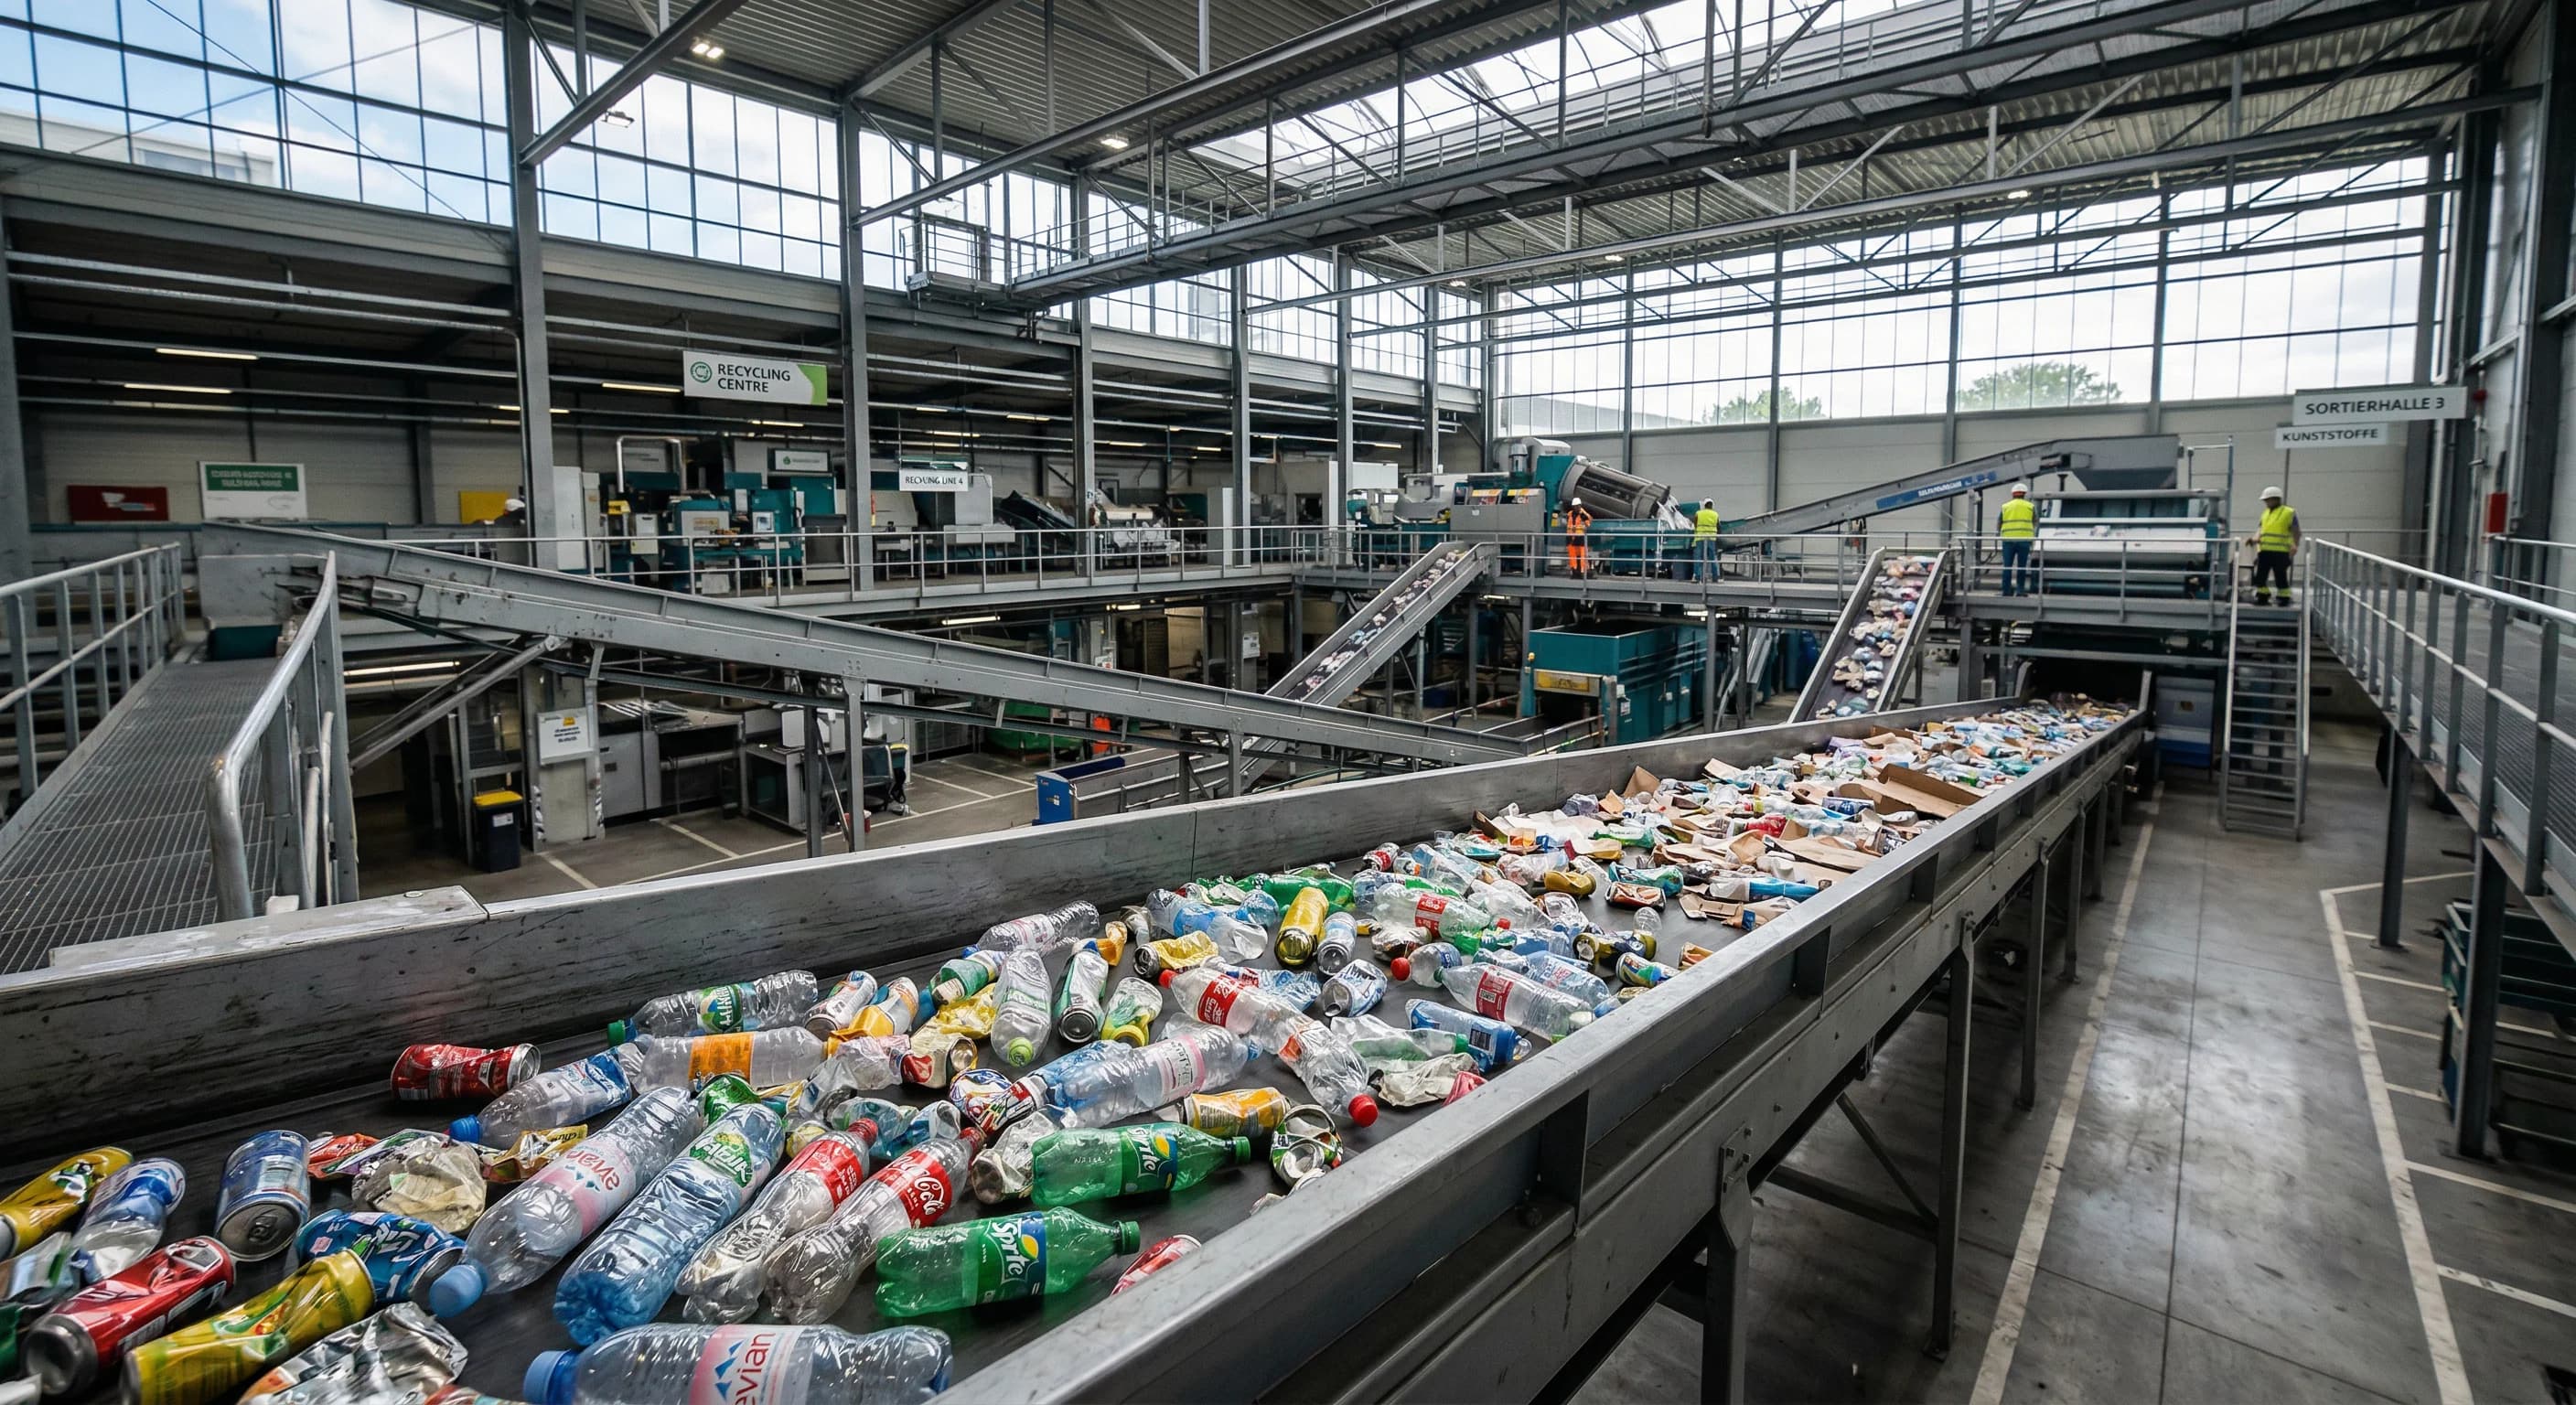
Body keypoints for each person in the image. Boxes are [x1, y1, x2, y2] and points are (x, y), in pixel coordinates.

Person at [2249, 485, 2301, 606]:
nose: (2266, 502)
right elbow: (2261, 529)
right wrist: (2254, 539)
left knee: (2280, 576)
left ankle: (2284, 597)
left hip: (2281, 551)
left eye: (2268, 500)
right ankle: (2263, 595)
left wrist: (2295, 545)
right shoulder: (2265, 513)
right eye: (2265, 500)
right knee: (2260, 576)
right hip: (2265, 550)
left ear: (2276, 499)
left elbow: (2296, 530)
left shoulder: (2288, 512)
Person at [1997, 484, 2037, 595]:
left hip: (2008, 540)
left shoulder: (2005, 506)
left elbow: (1999, 522)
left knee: (2007, 566)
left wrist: (1998, 534)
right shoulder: (2030, 506)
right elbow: (2036, 521)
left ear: (2013, 494)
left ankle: (2006, 591)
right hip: (2024, 540)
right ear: (2024, 494)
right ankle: (2020, 590)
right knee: (2022, 566)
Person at [1691, 499, 1722, 583]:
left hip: (1700, 538)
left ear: (1704, 505)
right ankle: (1716, 578)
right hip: (1711, 539)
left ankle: (1697, 577)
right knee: (1713, 558)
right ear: (1712, 505)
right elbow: (1719, 526)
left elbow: (1695, 524)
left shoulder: (1698, 513)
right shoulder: (1715, 514)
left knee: (1699, 558)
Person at [1563, 497, 1594, 577]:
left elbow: (1588, 523)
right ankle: (1574, 571)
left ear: (1580, 506)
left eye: (1578, 506)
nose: (1577, 507)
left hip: (1580, 538)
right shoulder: (1570, 514)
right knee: (1572, 556)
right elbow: (1568, 524)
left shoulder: (1583, 514)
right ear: (1573, 507)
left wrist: (1584, 517)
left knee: (1582, 556)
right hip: (1570, 538)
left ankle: (1583, 572)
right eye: (1575, 506)